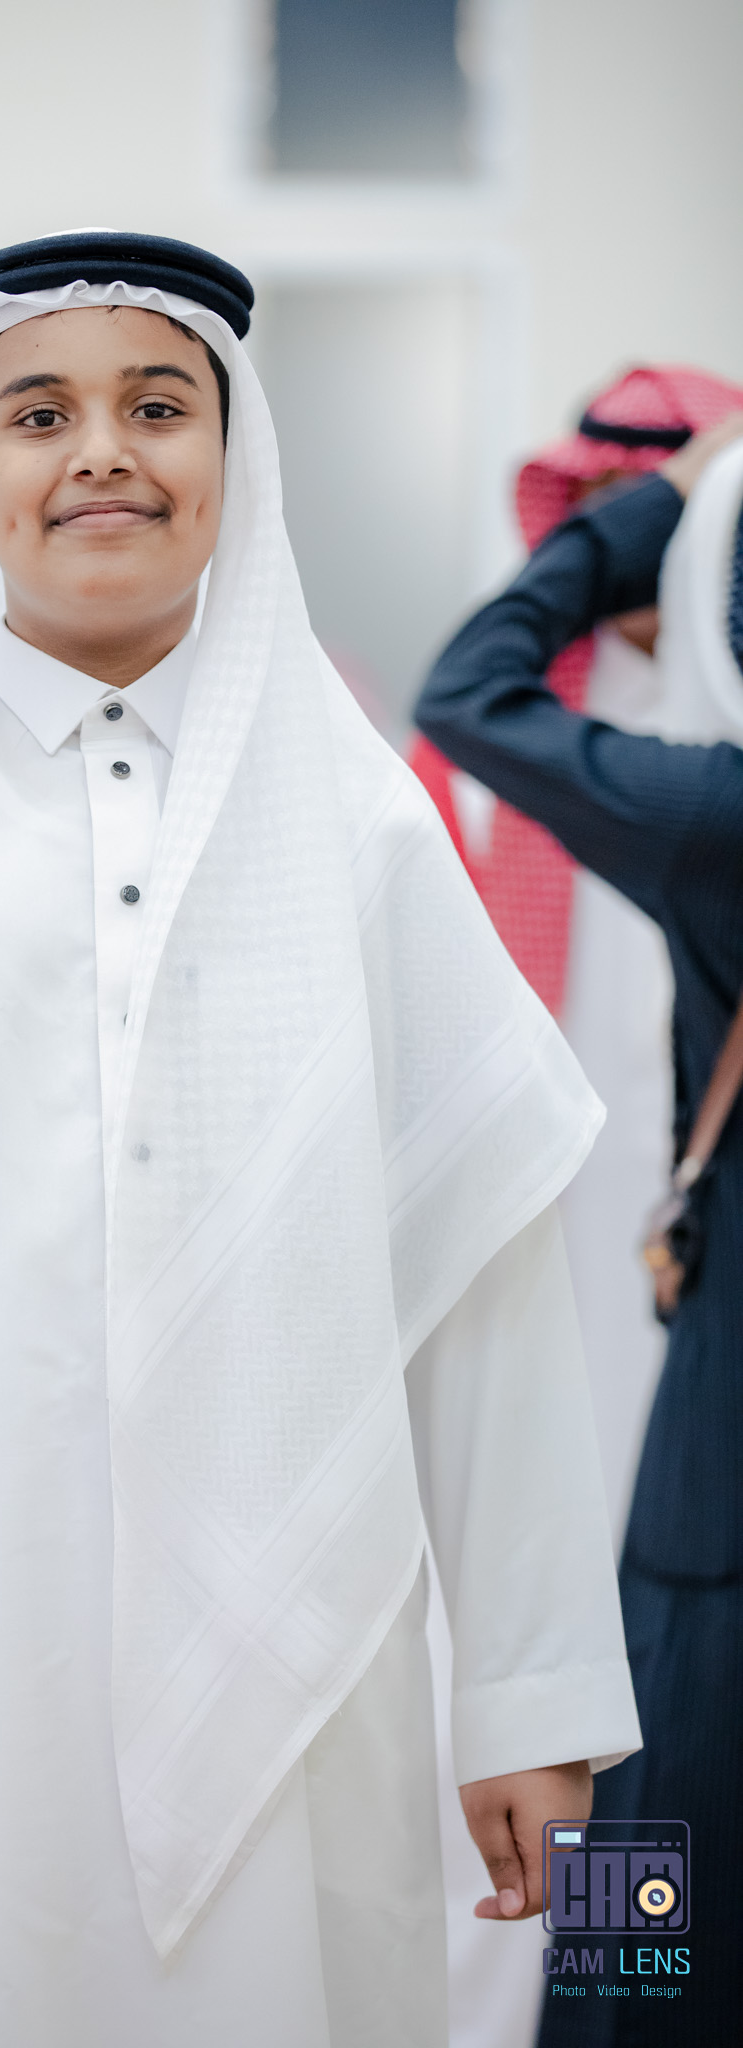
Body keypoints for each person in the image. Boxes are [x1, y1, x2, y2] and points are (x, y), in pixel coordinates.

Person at [0, 231, 640, 2048]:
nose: (100, 454)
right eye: (37, 414)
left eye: (158, 407)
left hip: (293, 1650)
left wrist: (529, 1698)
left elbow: (478, 1281)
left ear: (232, 465)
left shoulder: (357, 832)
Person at [416, 412, 743, 2046]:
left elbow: (468, 686)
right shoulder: (663, 777)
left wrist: (632, 528)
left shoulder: (697, 792)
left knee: (649, 1746)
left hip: (692, 1373)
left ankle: (606, 2010)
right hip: (579, 1276)